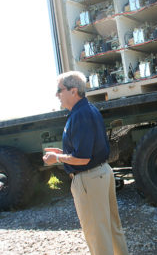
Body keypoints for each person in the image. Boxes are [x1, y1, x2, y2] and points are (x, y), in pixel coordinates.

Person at [43, 71, 129, 255]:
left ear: (73, 91)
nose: (56, 94)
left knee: (97, 235)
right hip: (102, 173)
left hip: (89, 179)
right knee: (112, 229)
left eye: (59, 90)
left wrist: (57, 158)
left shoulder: (80, 115)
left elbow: (83, 158)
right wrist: (63, 153)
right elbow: (85, 151)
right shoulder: (88, 110)